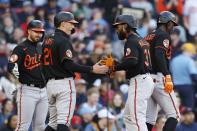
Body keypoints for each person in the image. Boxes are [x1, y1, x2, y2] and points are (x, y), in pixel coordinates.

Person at [42, 11, 108, 131]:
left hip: (50, 84)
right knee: (63, 122)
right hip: (63, 84)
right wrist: (92, 69)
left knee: (53, 123)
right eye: (71, 23)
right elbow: (69, 65)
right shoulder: (63, 40)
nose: (73, 26)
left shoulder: (47, 40)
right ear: (62, 24)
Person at [110, 14, 154, 131]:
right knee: (129, 116)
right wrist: (117, 63)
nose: (117, 29)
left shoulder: (131, 40)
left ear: (125, 26)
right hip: (143, 79)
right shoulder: (140, 39)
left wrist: (114, 67)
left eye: (118, 26)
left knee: (136, 118)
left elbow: (132, 62)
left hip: (140, 81)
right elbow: (134, 61)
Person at [7, 20, 48, 131]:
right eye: (36, 31)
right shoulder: (20, 48)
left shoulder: (42, 47)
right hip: (28, 90)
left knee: (40, 126)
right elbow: (11, 65)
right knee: (23, 126)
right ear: (29, 31)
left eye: (41, 32)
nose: (39, 34)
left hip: (44, 91)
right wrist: (17, 73)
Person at [144, 11, 180, 131]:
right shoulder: (163, 35)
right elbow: (159, 55)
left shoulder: (149, 35)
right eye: (172, 24)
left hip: (146, 78)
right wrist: (167, 75)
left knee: (149, 119)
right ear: (167, 23)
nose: (172, 27)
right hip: (158, 78)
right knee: (174, 115)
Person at [171, 43, 197, 108]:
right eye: (192, 53)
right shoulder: (189, 61)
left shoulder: (174, 60)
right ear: (188, 51)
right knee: (188, 108)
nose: (193, 54)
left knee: (177, 107)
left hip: (175, 87)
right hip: (187, 87)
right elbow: (193, 75)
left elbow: (170, 72)